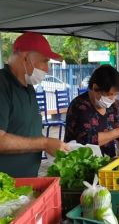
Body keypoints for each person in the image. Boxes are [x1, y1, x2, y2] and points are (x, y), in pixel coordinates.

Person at [0, 32, 69, 177]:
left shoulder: (28, 86)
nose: (47, 68)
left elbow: (27, 130)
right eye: (44, 61)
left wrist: (52, 145)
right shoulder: (2, 85)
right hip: (5, 189)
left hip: (25, 183)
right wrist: (43, 143)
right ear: (25, 58)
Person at [64, 65, 119, 157]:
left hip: (107, 162)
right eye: (109, 94)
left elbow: (118, 129)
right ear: (95, 88)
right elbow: (85, 142)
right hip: (83, 164)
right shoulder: (80, 106)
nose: (112, 98)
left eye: (116, 94)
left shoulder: (111, 106)